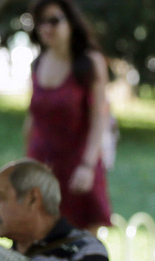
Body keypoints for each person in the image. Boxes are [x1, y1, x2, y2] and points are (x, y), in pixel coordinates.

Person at [25, 0, 113, 231]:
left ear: (71, 23)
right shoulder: (37, 64)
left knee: (82, 242)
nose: (47, 28)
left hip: (78, 164)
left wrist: (87, 165)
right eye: (41, 22)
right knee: (41, 238)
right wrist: (26, 165)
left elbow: (98, 119)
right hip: (42, 164)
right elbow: (32, 118)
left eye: (54, 20)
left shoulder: (89, 63)